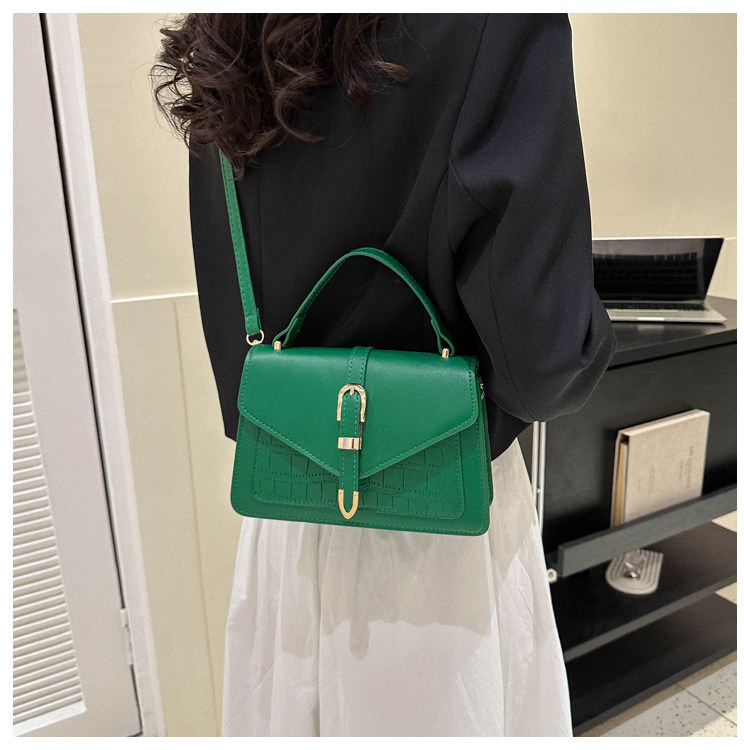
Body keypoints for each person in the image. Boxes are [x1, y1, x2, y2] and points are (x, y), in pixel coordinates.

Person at [153, 13, 616, 737]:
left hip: (286, 526)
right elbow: (545, 366)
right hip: (438, 543)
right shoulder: (494, 23)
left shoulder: (227, 34)